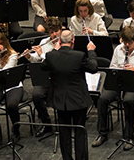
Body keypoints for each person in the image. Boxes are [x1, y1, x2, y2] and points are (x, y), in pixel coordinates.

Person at [92, 26, 134, 148]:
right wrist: (119, 70)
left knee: (128, 101)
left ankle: (128, 136)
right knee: (102, 99)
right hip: (119, 82)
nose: (127, 46)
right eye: (125, 42)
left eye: (129, 43)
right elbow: (112, 67)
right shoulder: (118, 50)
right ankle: (102, 133)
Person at [42, 30, 98, 160]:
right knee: (80, 131)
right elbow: (93, 68)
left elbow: (43, 67)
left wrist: (55, 51)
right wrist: (91, 51)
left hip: (60, 100)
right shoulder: (79, 56)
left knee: (64, 132)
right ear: (73, 41)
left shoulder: (51, 56)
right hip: (78, 99)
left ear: (60, 42)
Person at [24, 17, 63, 137]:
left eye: (56, 31)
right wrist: (30, 56)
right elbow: (37, 58)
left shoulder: (66, 42)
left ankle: (64, 125)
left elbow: (57, 62)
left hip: (62, 80)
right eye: (51, 32)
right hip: (46, 79)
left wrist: (42, 54)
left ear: (61, 30)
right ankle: (47, 124)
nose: (54, 34)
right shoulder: (44, 42)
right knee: (36, 95)